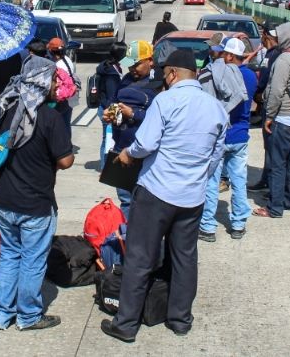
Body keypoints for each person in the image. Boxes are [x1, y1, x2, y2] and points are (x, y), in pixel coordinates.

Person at [101, 50, 228, 343]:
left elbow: (145, 142)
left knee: (140, 257)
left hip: (157, 191)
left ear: (171, 74)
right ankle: (180, 318)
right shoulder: (216, 107)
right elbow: (216, 153)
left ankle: (126, 324)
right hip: (192, 198)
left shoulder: (166, 100)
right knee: (185, 258)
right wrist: (198, 179)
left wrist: (127, 154)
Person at [0, 56, 74, 331]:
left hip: (4, 200)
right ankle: (29, 316)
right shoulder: (48, 117)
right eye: (55, 78)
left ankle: (2, 314)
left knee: (9, 255)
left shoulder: (3, 108)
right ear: (43, 82)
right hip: (35, 204)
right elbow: (66, 160)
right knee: (32, 260)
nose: (58, 83)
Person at [199, 37, 257, 240]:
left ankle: (207, 226)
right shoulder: (251, 76)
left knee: (212, 181)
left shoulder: (219, 74)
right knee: (239, 181)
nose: (221, 56)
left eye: (224, 53)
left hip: (220, 136)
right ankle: (239, 224)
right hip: (241, 135)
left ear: (230, 55)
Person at [254, 22, 290, 220]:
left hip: (283, 117)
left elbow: (276, 91)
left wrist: (269, 116)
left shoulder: (285, 59)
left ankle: (274, 207)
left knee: (277, 164)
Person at [106, 40, 156, 217]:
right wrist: (111, 114)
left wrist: (133, 114)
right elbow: (114, 102)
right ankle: (127, 239)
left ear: (150, 60)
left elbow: (161, 120)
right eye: (129, 65)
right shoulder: (126, 79)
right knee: (125, 199)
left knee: (143, 202)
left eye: (136, 64)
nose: (132, 69)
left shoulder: (158, 85)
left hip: (144, 153)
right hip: (121, 148)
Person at [249, 22, 281, 192]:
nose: (261, 35)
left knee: (271, 146)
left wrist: (260, 94)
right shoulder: (274, 53)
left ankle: (270, 183)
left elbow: (268, 80)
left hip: (271, 105)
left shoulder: (274, 55)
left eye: (263, 32)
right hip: (268, 104)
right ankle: (267, 179)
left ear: (268, 35)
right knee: (269, 146)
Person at [95, 42, 128, 171]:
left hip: (104, 107)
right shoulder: (111, 73)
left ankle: (105, 167)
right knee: (108, 139)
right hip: (108, 109)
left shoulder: (106, 66)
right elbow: (111, 97)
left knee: (106, 139)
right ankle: (105, 168)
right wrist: (114, 116)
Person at [48, 38, 79, 132]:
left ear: (51, 51)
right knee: (66, 123)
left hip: (62, 97)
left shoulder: (57, 65)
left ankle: (62, 144)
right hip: (71, 94)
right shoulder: (67, 60)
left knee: (59, 125)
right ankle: (67, 144)